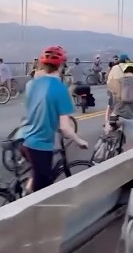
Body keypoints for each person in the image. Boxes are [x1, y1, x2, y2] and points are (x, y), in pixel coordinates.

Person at [17, 46, 87, 193]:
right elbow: (65, 128)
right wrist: (79, 141)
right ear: (62, 65)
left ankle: (26, 191)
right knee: (42, 194)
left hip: (22, 138)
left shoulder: (31, 84)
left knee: (36, 176)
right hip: (40, 145)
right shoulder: (60, 89)